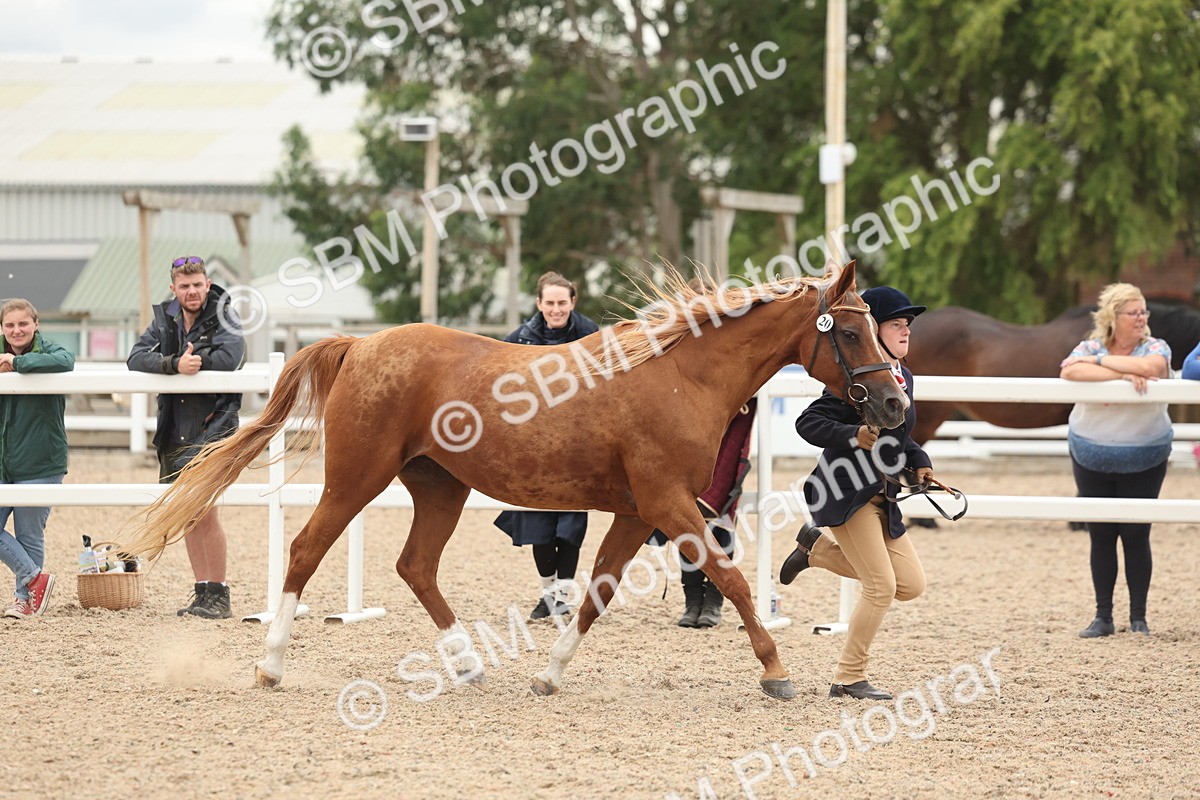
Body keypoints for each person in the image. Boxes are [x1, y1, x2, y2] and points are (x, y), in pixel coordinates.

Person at [778, 286, 932, 700]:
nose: (905, 332)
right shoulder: (857, 380)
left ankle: (815, 552)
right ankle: (848, 678)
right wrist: (853, 434)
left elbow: (901, 437)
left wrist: (921, 462)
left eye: (908, 326)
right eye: (896, 324)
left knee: (911, 585)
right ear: (873, 331)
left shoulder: (902, 376)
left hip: (884, 496)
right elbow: (808, 423)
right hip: (845, 493)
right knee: (880, 586)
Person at [128, 256, 245, 619]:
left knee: (205, 513)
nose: (192, 291)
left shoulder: (225, 315)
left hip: (212, 429)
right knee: (187, 515)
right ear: (174, 288)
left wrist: (195, 363)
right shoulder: (165, 317)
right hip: (174, 428)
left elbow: (232, 356)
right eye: (185, 286)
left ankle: (219, 593)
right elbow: (134, 357)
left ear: (207, 285)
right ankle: (203, 592)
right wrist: (174, 364)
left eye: (197, 285)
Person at [1059, 283, 1172, 638]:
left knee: (1137, 534)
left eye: (1144, 312)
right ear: (1113, 317)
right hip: (1091, 453)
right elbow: (1071, 370)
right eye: (1134, 313)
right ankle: (1103, 616)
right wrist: (1121, 372)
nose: (1142, 318)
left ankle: (1139, 617)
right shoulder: (1089, 347)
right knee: (1101, 535)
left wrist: (1099, 365)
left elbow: (1154, 367)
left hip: (1145, 455)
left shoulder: (1156, 346)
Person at [494, 271, 599, 621]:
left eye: (562, 302)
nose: (556, 309)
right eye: (550, 303)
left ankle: (563, 595)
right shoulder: (518, 341)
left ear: (573, 302)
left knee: (570, 528)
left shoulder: (592, 337)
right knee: (538, 527)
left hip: (577, 450)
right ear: (539, 304)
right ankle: (548, 594)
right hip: (533, 452)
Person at [649, 399, 756, 629]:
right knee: (686, 521)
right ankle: (693, 599)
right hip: (694, 421)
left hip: (730, 419)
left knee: (720, 523)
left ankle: (713, 602)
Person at [0, 299, 74, 619]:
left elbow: (66, 360)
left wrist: (17, 365)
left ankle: (24, 600)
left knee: (30, 534)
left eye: (22, 324)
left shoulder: (51, 351)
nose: (16, 330)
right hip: (3, 459)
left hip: (41, 459)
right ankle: (35, 579)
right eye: (9, 325)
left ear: (36, 323)